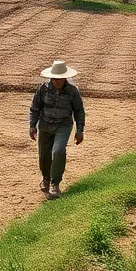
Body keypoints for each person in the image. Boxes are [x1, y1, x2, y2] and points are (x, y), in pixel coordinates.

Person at [27, 59, 85, 198]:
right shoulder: (42, 89)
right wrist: (32, 126)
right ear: (51, 78)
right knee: (44, 155)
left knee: (58, 151)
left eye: (61, 79)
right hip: (45, 124)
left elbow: (79, 111)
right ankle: (46, 178)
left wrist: (79, 130)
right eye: (56, 79)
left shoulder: (72, 91)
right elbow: (35, 108)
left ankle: (55, 184)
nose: (58, 81)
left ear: (65, 78)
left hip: (63, 125)